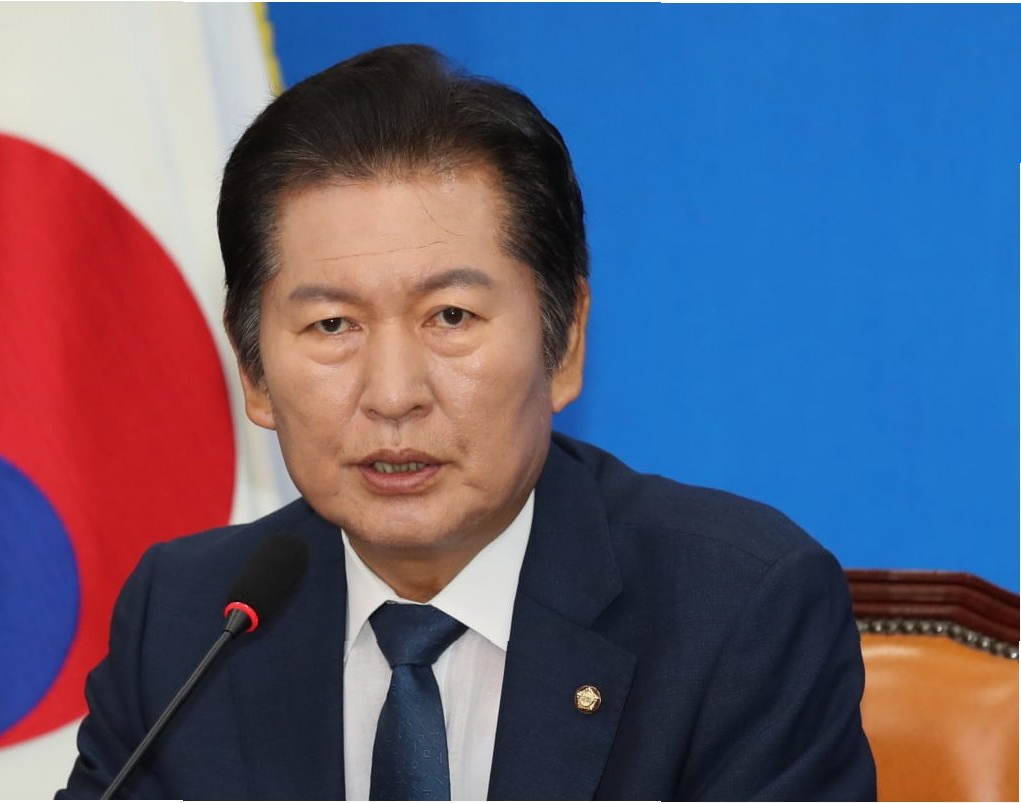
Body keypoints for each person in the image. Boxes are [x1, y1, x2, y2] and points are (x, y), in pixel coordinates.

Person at [59, 44, 876, 800]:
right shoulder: (188, 622)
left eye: (450, 316)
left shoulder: (736, 613)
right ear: (254, 370)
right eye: (332, 324)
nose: (393, 393)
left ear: (565, 342)